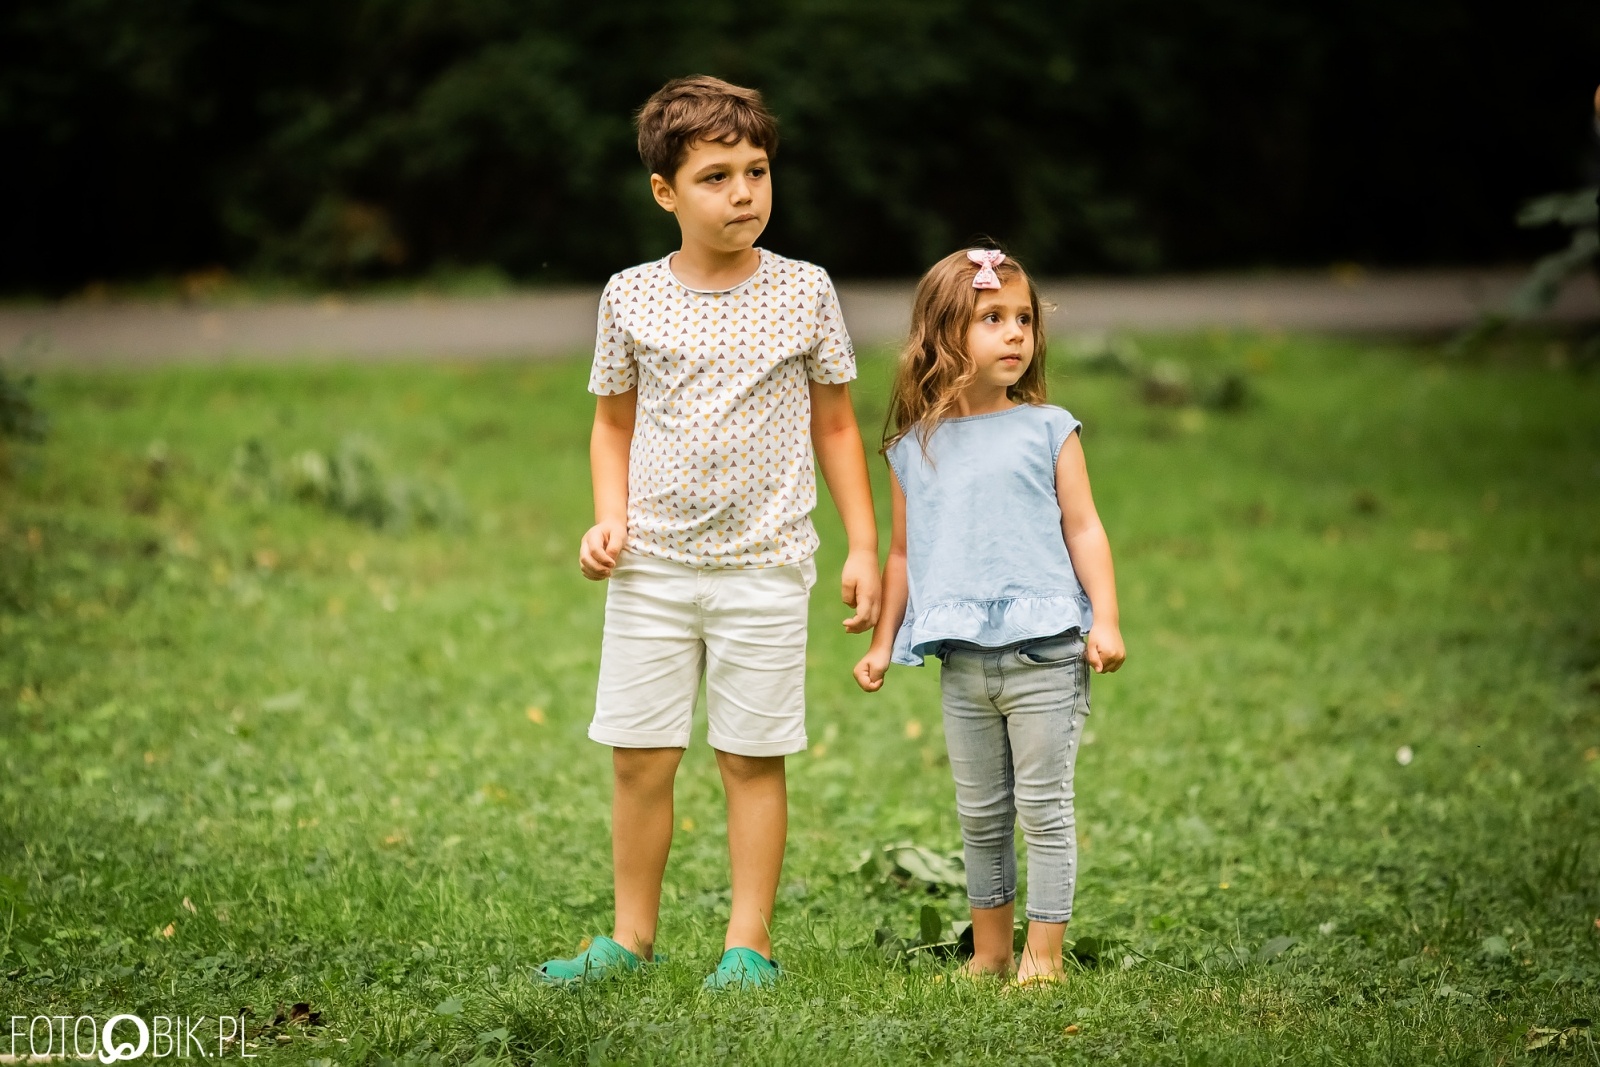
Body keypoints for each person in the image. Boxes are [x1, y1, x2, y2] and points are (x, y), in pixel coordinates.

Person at [538, 76, 882, 990]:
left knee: (748, 756)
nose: (744, 193)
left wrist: (861, 544)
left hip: (764, 568)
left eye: (758, 171)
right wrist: (607, 519)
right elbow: (612, 423)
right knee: (641, 757)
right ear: (665, 192)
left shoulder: (805, 291)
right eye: (717, 176)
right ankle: (630, 938)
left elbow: (838, 424)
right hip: (650, 567)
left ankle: (748, 944)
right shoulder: (629, 296)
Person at [853, 248, 1126, 985]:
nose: (1016, 335)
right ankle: (992, 951)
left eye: (1025, 319)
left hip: (1046, 654)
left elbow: (1085, 529)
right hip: (963, 665)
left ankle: (1044, 956)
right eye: (993, 319)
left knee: (1043, 809)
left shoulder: (1049, 429)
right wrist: (884, 642)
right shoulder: (915, 448)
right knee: (980, 816)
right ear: (944, 336)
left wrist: (1105, 618)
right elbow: (905, 554)